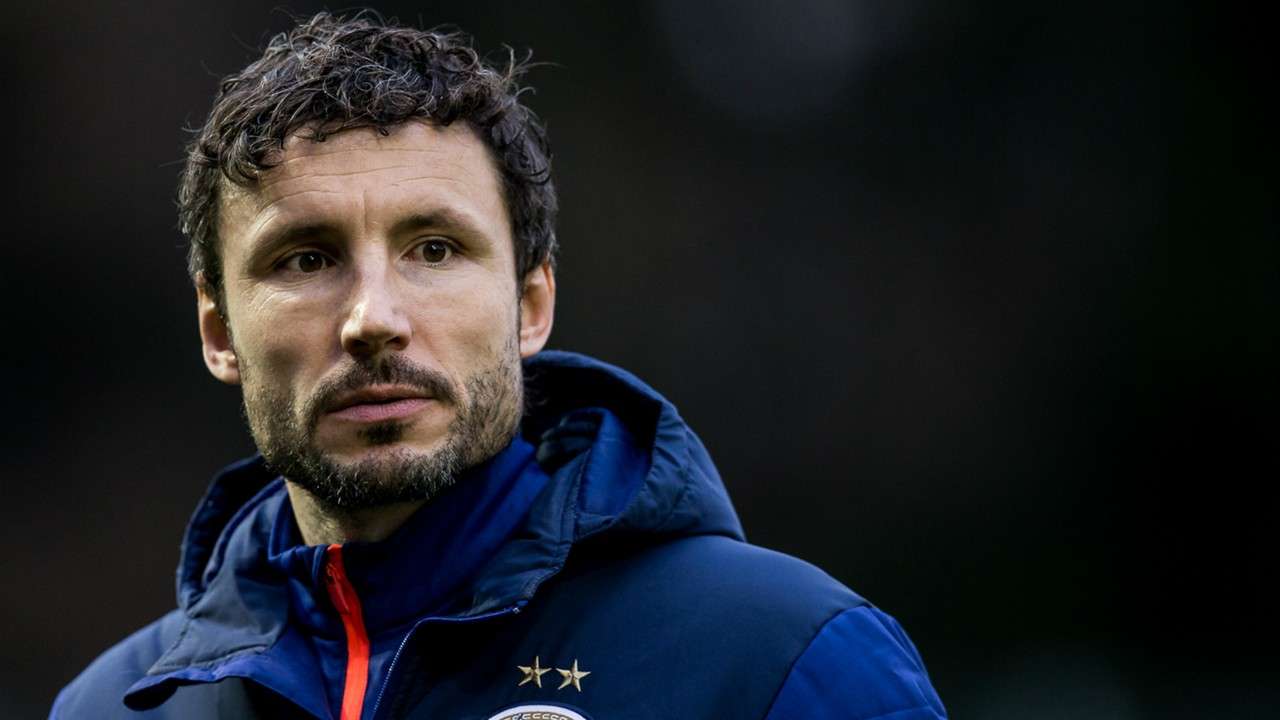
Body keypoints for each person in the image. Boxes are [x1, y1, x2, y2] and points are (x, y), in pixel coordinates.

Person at [51, 12, 946, 720]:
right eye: (307, 259)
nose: (373, 320)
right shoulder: (107, 708)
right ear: (218, 331)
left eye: (434, 250)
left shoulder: (783, 659)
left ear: (531, 305)